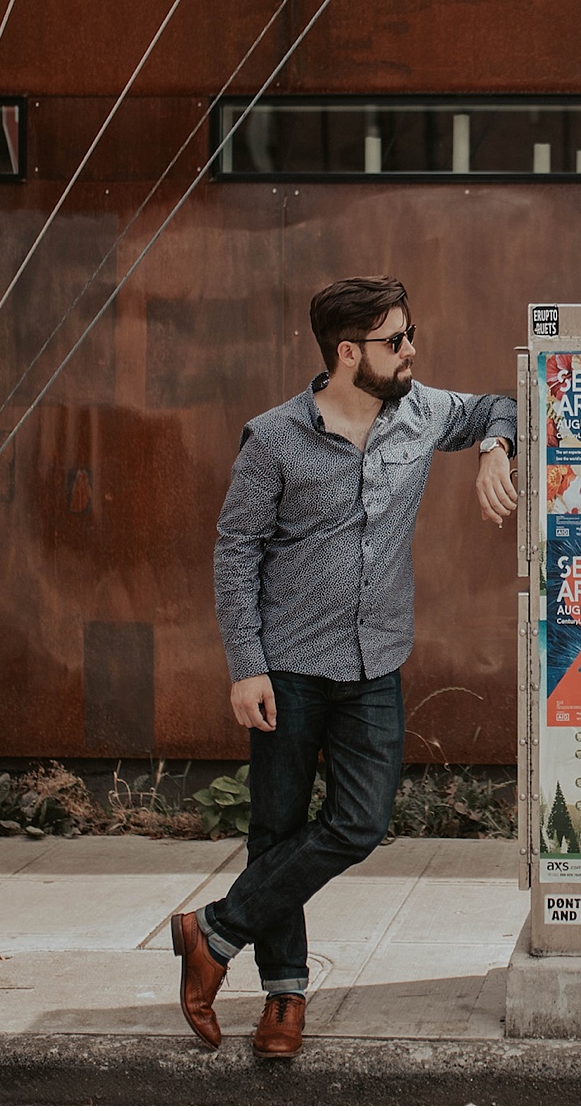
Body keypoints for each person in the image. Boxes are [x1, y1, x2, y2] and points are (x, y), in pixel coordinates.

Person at [171, 276, 518, 1058]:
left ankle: (212, 931)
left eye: (410, 333)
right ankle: (284, 996)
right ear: (348, 351)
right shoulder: (274, 439)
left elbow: (502, 403)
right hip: (288, 667)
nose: (411, 350)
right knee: (277, 827)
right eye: (397, 339)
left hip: (373, 662)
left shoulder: (422, 410)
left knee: (360, 822)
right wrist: (246, 664)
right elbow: (236, 551)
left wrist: (493, 449)